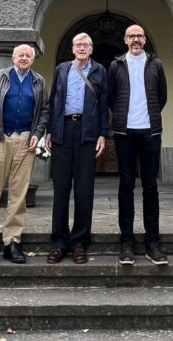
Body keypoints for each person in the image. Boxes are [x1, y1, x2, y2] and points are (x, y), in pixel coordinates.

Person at [0, 43, 48, 266]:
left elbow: (44, 110)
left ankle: (11, 241)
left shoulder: (39, 81)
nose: (24, 58)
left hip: (25, 141)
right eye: (20, 55)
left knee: (18, 195)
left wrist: (38, 132)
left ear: (33, 59)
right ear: (13, 58)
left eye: (28, 55)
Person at [45, 32, 109, 265]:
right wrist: (50, 130)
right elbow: (54, 102)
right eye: (78, 45)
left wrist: (103, 134)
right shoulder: (62, 69)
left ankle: (80, 242)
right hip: (63, 132)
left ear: (91, 49)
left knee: (84, 190)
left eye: (86, 45)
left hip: (87, 133)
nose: (82, 48)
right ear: (73, 49)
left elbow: (104, 105)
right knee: (60, 189)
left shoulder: (100, 71)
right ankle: (59, 242)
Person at [109, 23, 168, 266]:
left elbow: (161, 96)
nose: (136, 39)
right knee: (125, 185)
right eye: (131, 36)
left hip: (150, 132)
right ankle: (127, 242)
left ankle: (152, 242)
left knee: (151, 186)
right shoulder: (115, 65)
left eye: (139, 36)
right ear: (125, 40)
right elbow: (111, 97)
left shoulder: (156, 64)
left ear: (145, 40)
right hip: (124, 133)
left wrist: (149, 117)